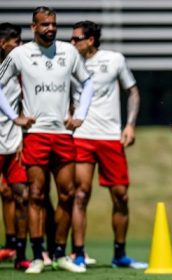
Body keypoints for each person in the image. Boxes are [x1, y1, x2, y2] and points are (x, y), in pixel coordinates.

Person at [0, 6, 94, 274]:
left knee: (67, 194)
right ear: (33, 27)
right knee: (36, 195)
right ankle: (39, 255)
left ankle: (60, 253)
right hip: (35, 134)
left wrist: (81, 115)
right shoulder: (19, 54)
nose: (50, 28)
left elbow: (87, 83)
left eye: (53, 24)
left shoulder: (69, 52)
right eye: (44, 25)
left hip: (63, 135)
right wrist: (13, 116)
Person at [69, 20, 146, 269]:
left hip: (111, 137)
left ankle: (119, 254)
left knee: (121, 196)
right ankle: (78, 253)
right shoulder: (67, 61)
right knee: (80, 194)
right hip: (81, 136)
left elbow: (133, 91)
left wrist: (130, 125)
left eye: (76, 38)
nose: (72, 43)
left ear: (90, 40)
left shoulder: (115, 59)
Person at [0, 22, 31, 270]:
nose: (20, 46)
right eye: (16, 42)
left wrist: (22, 136)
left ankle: (19, 253)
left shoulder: (20, 70)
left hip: (13, 145)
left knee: (23, 195)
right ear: (3, 44)